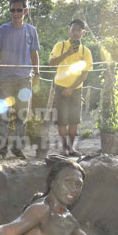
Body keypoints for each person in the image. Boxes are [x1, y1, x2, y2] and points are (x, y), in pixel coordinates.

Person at [0, 0, 41, 160]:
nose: (16, 13)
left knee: (22, 115)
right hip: (5, 79)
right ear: (10, 11)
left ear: (25, 11)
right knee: (2, 115)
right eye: (13, 10)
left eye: (19, 10)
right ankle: (2, 150)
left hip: (24, 78)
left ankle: (18, 149)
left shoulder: (31, 30)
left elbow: (34, 54)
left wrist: (37, 74)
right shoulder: (3, 30)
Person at [49, 19, 93, 157]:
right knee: (61, 119)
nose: (75, 33)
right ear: (69, 31)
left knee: (74, 120)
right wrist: (67, 53)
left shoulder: (86, 52)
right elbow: (51, 63)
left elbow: (84, 74)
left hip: (76, 89)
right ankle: (63, 148)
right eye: (73, 30)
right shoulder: (60, 46)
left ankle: (71, 148)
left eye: (78, 30)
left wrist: (71, 89)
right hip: (60, 87)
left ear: (83, 33)